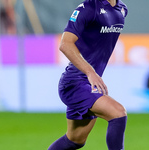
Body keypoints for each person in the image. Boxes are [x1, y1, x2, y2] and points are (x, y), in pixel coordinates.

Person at [48, 0, 128, 149]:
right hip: (74, 83)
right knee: (118, 113)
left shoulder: (122, 9)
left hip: (89, 84)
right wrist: (90, 72)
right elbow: (65, 44)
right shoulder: (89, 7)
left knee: (75, 140)